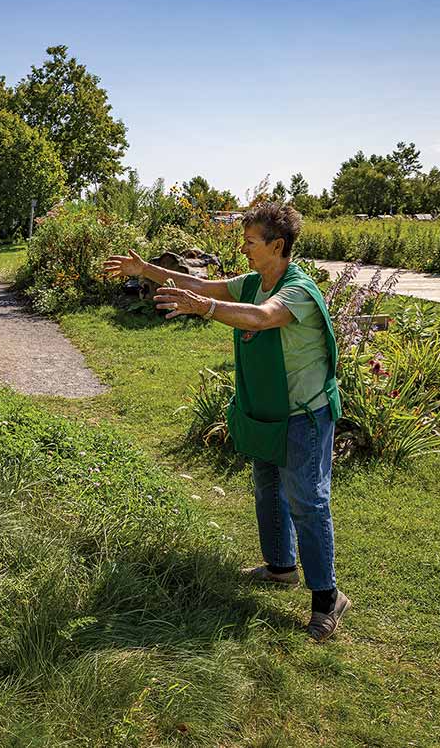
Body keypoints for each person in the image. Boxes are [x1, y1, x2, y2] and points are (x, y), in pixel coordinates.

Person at [103, 202, 350, 642]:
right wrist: (146, 269)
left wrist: (206, 309)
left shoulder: (297, 290)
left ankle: (328, 598)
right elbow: (198, 283)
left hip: (304, 414)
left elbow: (263, 318)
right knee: (268, 486)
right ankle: (280, 567)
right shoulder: (254, 281)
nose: (243, 248)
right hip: (267, 409)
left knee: (308, 501)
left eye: (251, 242)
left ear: (278, 245)